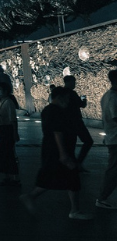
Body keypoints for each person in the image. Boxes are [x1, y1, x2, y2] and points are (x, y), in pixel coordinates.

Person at [20, 86, 93, 220]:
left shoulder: (50, 110)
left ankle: (74, 210)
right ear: (60, 97)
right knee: (54, 177)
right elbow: (57, 132)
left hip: (56, 150)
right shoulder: (54, 111)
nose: (68, 101)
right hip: (57, 151)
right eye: (67, 98)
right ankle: (31, 197)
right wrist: (63, 154)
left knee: (66, 178)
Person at [63, 75, 94, 172]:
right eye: (73, 82)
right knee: (88, 141)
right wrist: (84, 99)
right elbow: (82, 105)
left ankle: (72, 166)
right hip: (76, 122)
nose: (74, 84)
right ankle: (77, 163)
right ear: (69, 82)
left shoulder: (62, 93)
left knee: (71, 145)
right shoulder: (72, 93)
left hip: (67, 123)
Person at [96, 69, 117, 209]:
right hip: (115, 139)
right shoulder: (113, 97)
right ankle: (102, 197)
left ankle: (103, 197)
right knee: (113, 170)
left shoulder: (107, 96)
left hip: (112, 137)